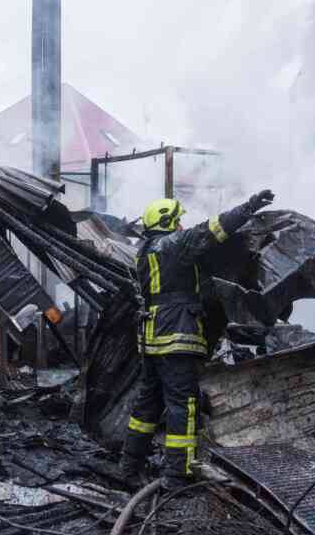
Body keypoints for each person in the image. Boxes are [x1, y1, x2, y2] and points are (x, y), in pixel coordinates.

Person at [119, 189, 276, 490]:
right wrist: (249, 206)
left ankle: (129, 467)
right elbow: (213, 228)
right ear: (168, 222)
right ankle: (177, 476)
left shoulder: (145, 252)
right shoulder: (175, 245)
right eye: (177, 220)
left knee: (147, 405)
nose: (181, 226)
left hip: (152, 339)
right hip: (175, 335)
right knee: (183, 405)